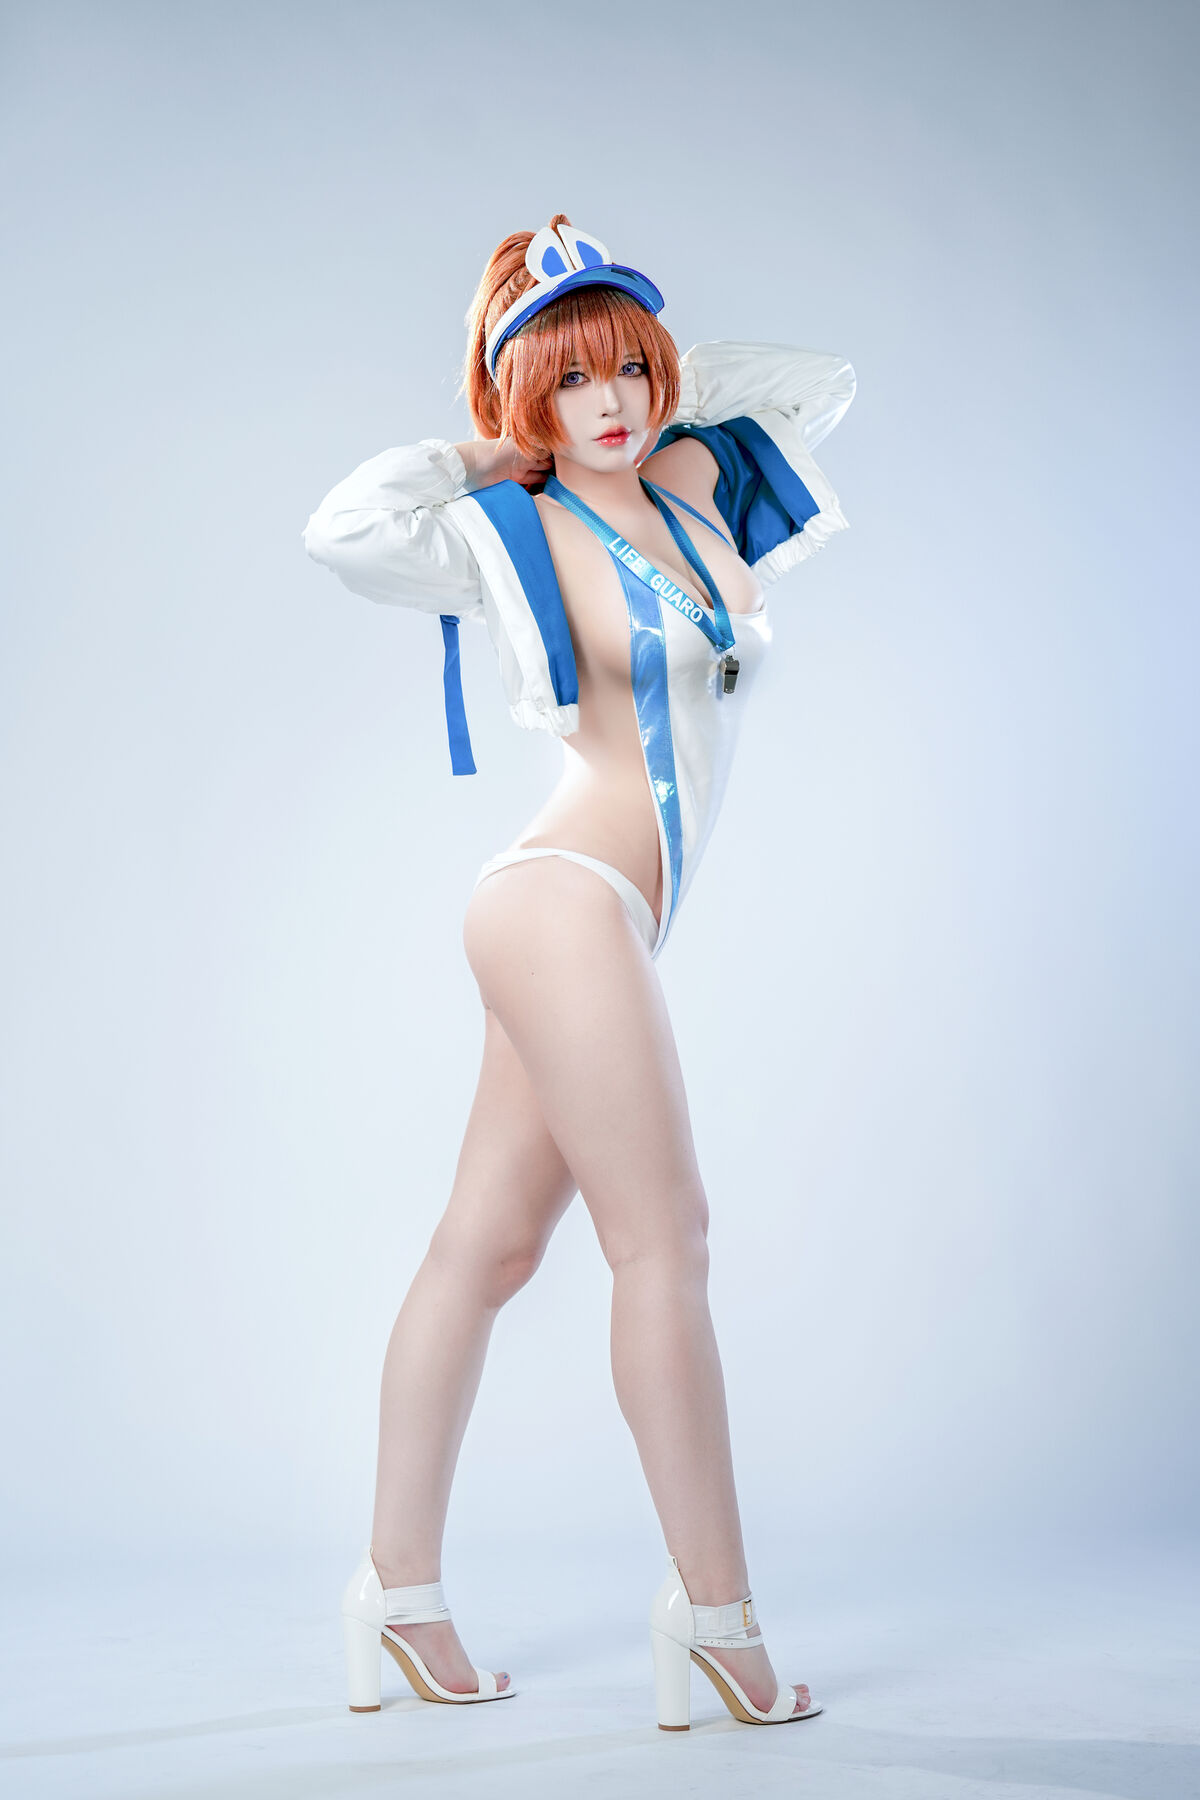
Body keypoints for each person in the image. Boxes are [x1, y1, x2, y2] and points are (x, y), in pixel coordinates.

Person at [301, 213, 856, 1730]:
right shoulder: (515, 531)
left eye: (624, 370)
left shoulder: (694, 477)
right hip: (564, 897)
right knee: (665, 1241)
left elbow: (821, 382)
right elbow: (343, 531)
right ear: (521, 401)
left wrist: (641, 364)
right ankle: (717, 1619)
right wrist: (491, 443)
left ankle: (395, 1598)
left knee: (486, 1253)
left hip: (601, 915)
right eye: (570, 381)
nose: (606, 404)